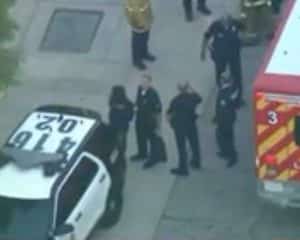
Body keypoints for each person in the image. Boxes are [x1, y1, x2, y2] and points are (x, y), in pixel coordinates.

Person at [201, 13, 245, 106]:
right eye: (224, 22)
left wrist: (240, 41)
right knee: (220, 77)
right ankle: (223, 98)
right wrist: (203, 51)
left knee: (237, 76)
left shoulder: (235, 23)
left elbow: (244, 28)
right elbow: (206, 36)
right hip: (220, 56)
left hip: (233, 55)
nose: (226, 23)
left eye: (228, 21)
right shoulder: (215, 25)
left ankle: (238, 99)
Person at [167, 82, 202, 176]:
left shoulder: (175, 101)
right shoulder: (192, 98)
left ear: (178, 89)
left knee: (181, 148)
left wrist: (172, 124)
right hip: (191, 124)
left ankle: (183, 169)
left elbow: (169, 113)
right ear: (187, 88)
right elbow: (199, 98)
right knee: (194, 143)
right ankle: (196, 162)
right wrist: (192, 89)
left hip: (179, 127)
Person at [130, 74, 164, 169]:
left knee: (152, 140)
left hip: (150, 121)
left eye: (145, 82)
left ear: (149, 83)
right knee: (140, 138)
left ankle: (153, 159)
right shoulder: (140, 89)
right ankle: (142, 153)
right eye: (142, 81)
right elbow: (138, 101)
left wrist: (158, 127)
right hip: (140, 119)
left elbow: (158, 111)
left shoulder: (153, 94)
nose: (143, 84)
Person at [124, 0, 156, 70]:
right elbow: (136, 12)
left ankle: (144, 53)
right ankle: (136, 61)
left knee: (145, 39)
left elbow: (146, 6)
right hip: (139, 23)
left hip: (146, 20)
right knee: (138, 42)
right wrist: (143, 24)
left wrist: (150, 19)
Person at [215, 74, 238, 168]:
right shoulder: (225, 90)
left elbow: (225, 107)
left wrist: (221, 119)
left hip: (226, 120)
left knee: (227, 139)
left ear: (224, 81)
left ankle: (232, 157)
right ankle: (224, 152)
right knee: (220, 136)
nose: (220, 81)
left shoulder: (227, 92)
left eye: (221, 79)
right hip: (223, 119)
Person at [108, 85, 134, 157]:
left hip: (120, 127)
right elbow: (130, 117)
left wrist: (122, 111)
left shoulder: (127, 104)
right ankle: (119, 154)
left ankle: (120, 155)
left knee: (120, 143)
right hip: (116, 126)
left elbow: (129, 117)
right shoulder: (113, 102)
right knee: (119, 142)